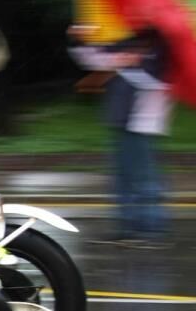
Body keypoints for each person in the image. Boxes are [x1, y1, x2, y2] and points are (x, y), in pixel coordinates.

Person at [67, 24, 172, 249]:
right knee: (123, 179)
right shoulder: (130, 43)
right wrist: (78, 41)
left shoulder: (163, 50)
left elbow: (160, 84)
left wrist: (132, 64)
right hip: (120, 120)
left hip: (142, 123)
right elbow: (95, 59)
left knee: (144, 179)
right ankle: (127, 229)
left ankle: (152, 231)